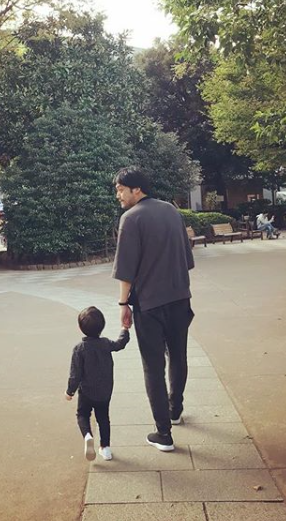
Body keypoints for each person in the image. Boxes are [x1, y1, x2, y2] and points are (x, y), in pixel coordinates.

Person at [112, 167, 195, 452]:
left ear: (136, 189)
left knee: (153, 366)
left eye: (120, 189)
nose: (118, 195)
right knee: (178, 355)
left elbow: (126, 270)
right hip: (180, 298)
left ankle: (164, 433)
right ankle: (175, 409)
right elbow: (187, 259)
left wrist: (123, 304)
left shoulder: (131, 218)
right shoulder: (171, 210)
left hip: (149, 305)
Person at [65, 306, 130, 462]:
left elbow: (75, 374)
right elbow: (120, 344)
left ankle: (88, 435)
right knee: (103, 419)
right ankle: (105, 448)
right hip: (104, 391)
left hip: (86, 392)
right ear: (102, 326)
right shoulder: (105, 343)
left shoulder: (79, 349)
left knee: (82, 415)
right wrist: (125, 329)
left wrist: (70, 391)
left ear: (80, 328)